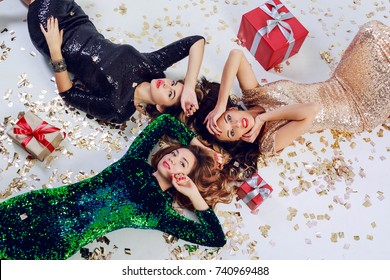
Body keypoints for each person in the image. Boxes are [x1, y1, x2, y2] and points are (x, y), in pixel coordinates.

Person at [0, 114, 227, 260]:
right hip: (38, 206)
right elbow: (165, 122)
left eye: (182, 163)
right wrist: (197, 145)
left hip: (55, 243)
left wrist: (194, 193)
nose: (173, 159)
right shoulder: (134, 162)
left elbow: (215, 238)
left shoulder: (159, 213)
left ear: (185, 177)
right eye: (174, 153)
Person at [189, 20, 389, 172]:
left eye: (229, 119)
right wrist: (263, 118)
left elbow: (236, 55)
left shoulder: (253, 96)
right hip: (359, 107)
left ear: (231, 110)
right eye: (232, 133)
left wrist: (220, 105)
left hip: (341, 80)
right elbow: (310, 110)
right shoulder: (268, 141)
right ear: (239, 140)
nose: (237, 124)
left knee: (372, 32)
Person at [23, 0, 204, 123]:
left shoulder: (118, 109)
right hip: (77, 18)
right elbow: (195, 41)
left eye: (170, 94)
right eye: (172, 83)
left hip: (54, 36)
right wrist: (188, 87)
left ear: (161, 108)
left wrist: (55, 50)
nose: (166, 85)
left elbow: (68, 94)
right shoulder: (151, 66)